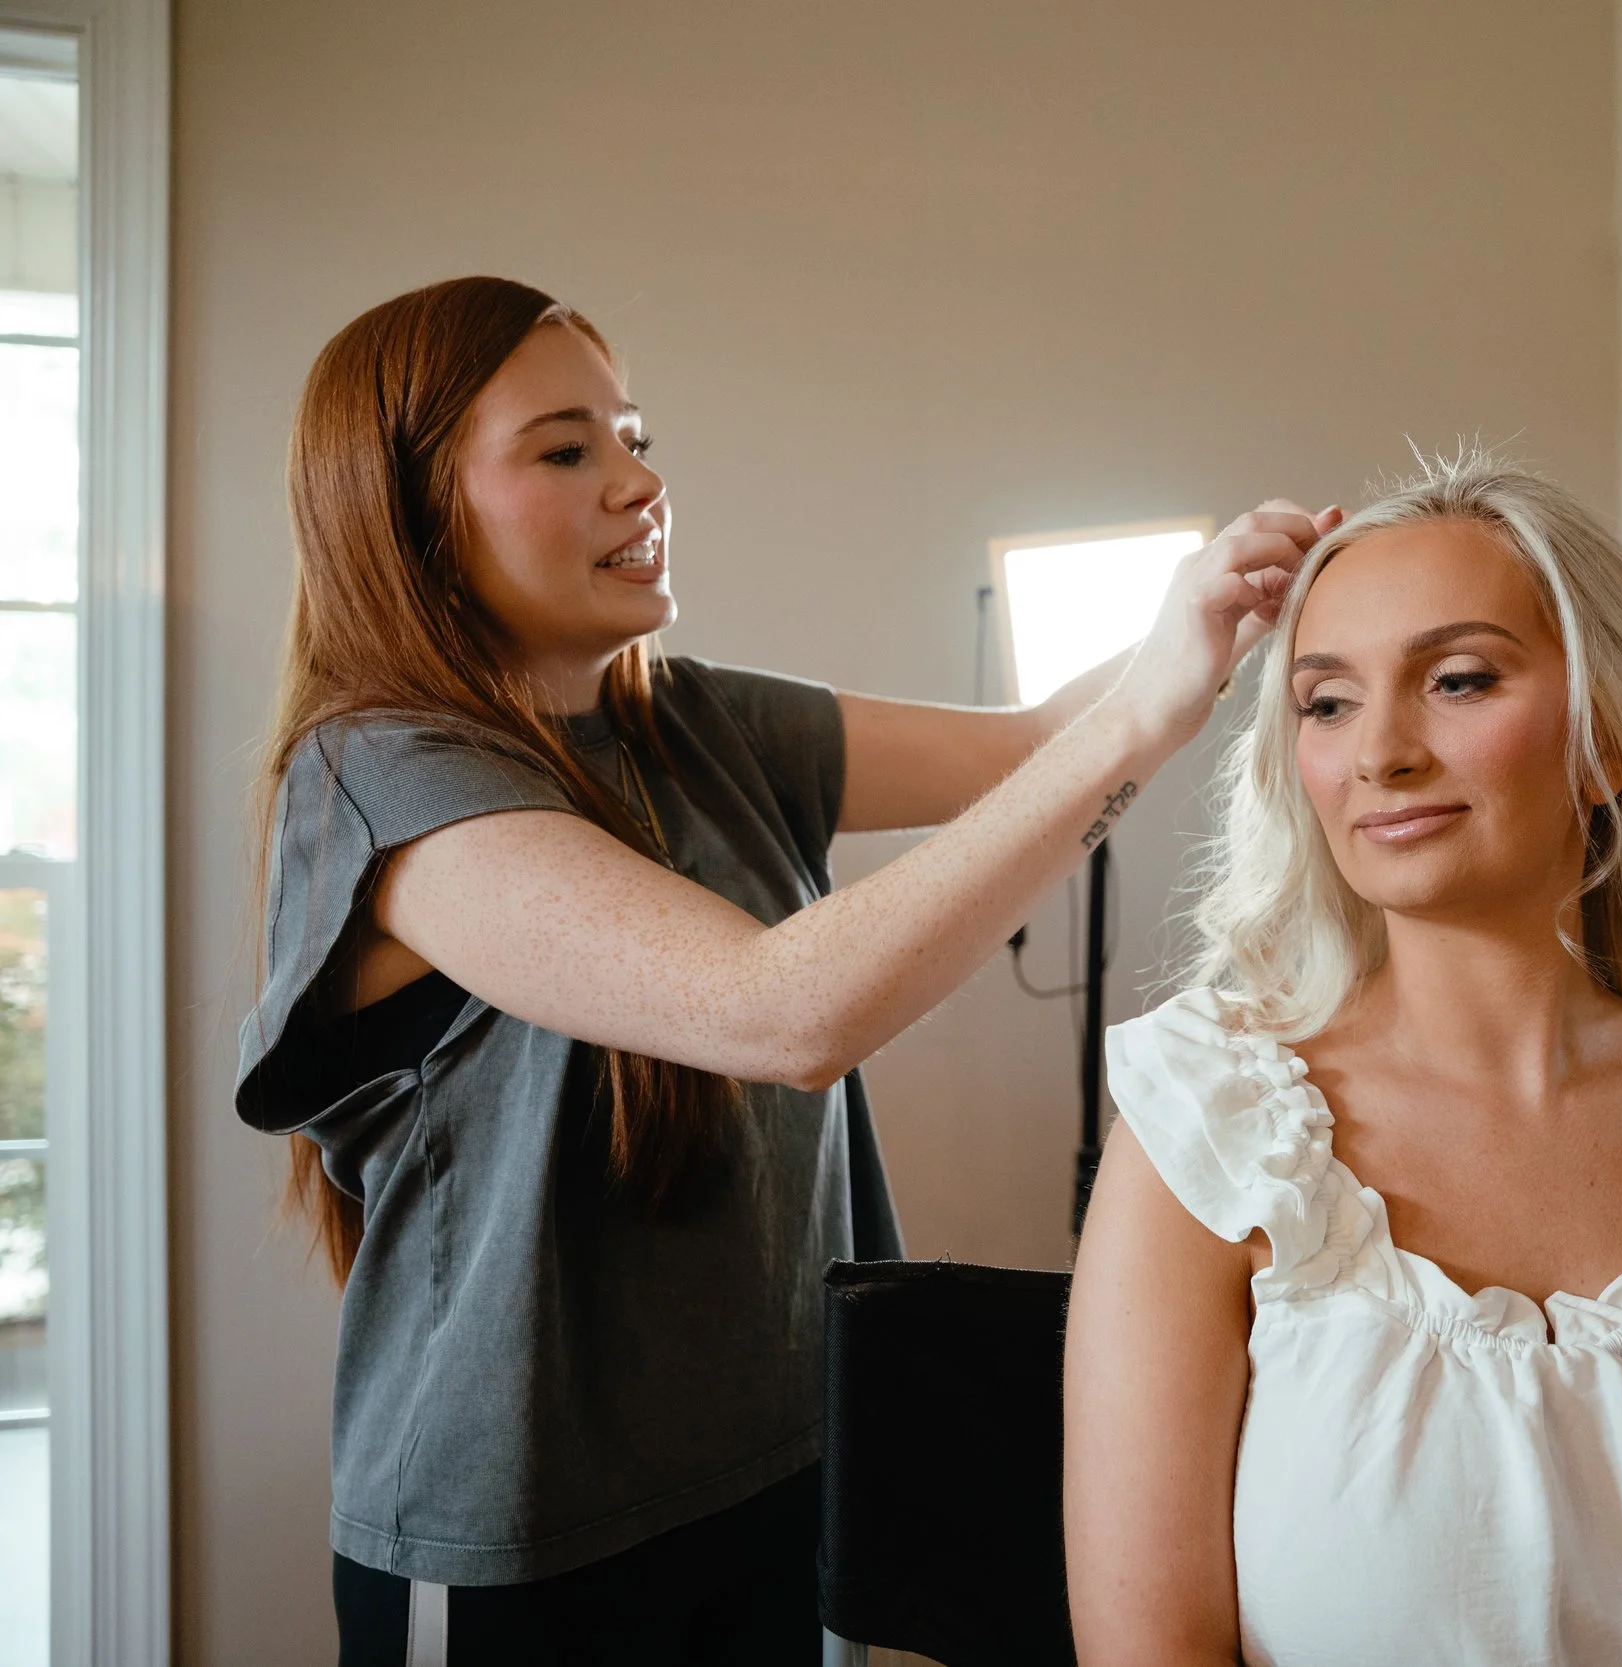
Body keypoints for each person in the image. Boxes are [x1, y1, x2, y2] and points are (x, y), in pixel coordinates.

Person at [234, 274, 1336, 1665]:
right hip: (526, 1539)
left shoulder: (698, 720)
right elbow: (779, 1008)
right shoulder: (381, 774)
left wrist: (1220, 613)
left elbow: (1026, 749)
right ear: (410, 515)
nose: (640, 480)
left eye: (634, 436)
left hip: (787, 1469)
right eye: (566, 448)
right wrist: (1138, 715)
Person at [1064, 453, 1622, 1666]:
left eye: (1457, 679)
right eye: (1326, 701)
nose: (1381, 753)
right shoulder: (1207, 1140)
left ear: (1609, 738)